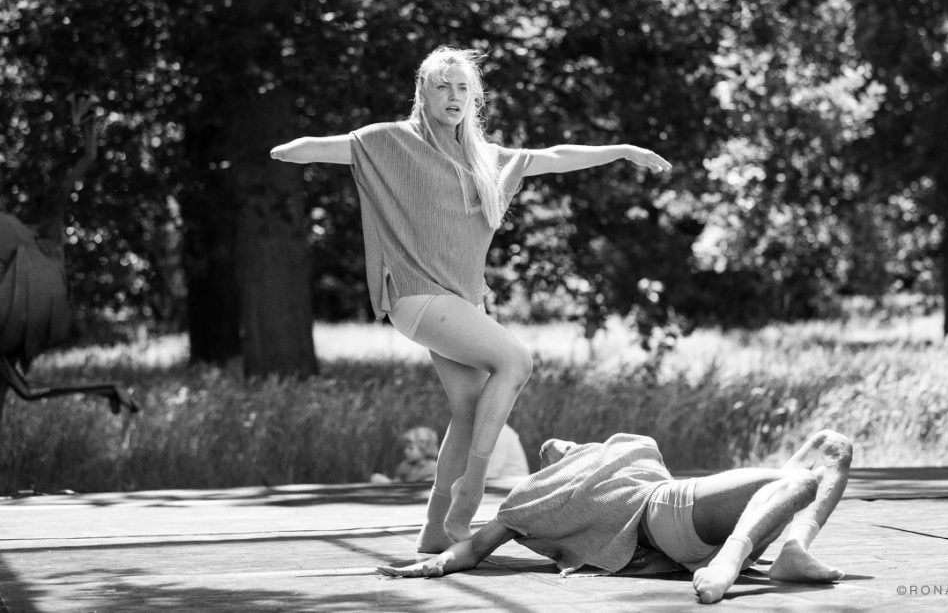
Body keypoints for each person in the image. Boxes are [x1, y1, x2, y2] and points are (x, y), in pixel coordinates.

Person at [270, 46, 672, 551]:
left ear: (474, 98)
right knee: (517, 361)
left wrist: (620, 149)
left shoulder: (485, 159)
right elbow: (329, 147)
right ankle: (472, 492)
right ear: (423, 93)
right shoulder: (394, 141)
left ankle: (435, 532)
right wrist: (286, 149)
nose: (454, 96)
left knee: (467, 408)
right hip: (418, 297)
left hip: (459, 304)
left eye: (464, 88)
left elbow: (551, 158)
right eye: (443, 86)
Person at [377, 429, 853, 605]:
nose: (555, 447)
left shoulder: (625, 448)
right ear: (555, 465)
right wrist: (437, 563)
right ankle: (728, 560)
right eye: (553, 452)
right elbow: (478, 547)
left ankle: (793, 549)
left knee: (834, 447)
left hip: (714, 516)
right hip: (665, 511)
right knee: (799, 484)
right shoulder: (538, 494)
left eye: (563, 444)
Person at [370, 426, 439, 484]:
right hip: (404, 494)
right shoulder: (404, 466)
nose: (406, 451)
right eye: (406, 447)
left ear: (424, 449)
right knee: (375, 477)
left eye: (410, 448)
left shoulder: (433, 467)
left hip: (420, 496)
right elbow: (397, 482)